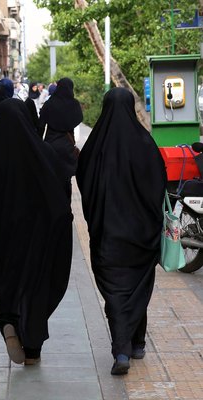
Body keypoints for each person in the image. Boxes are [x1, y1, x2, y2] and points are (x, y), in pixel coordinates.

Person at [0, 98, 73, 366]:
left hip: (2, 233)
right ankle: (32, 349)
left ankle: (8, 321)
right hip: (38, 234)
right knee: (36, 285)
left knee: (7, 279)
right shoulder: (43, 152)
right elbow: (61, 193)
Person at [76, 87, 166, 376]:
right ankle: (135, 343)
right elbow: (159, 187)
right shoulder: (145, 145)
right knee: (138, 286)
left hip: (108, 236)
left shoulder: (95, 147)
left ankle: (122, 350)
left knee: (116, 292)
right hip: (141, 237)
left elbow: (84, 185)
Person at [37, 77, 83, 198]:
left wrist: (38, 144)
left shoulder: (49, 104)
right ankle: (66, 209)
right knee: (66, 180)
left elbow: (40, 126)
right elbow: (78, 119)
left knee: (51, 180)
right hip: (67, 148)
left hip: (50, 146)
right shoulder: (74, 105)